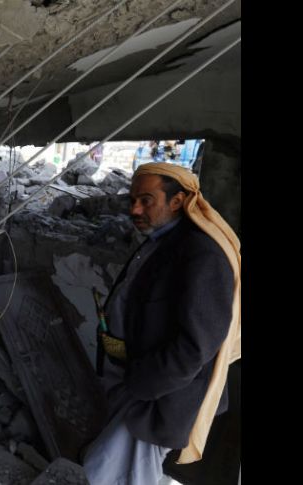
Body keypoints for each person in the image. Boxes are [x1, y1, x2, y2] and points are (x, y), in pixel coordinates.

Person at [81, 163, 241, 484]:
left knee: (106, 473)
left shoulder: (201, 253)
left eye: (146, 200)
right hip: (143, 391)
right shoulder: (166, 239)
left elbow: (195, 347)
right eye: (132, 200)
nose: (135, 209)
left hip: (162, 401)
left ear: (178, 201)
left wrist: (140, 386)